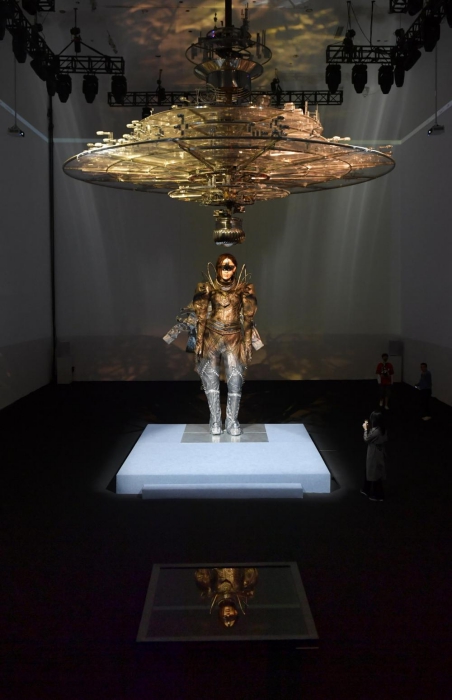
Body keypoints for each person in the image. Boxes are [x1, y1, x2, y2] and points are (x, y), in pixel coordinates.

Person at [193, 254, 260, 436]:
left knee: (235, 380)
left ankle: (231, 421)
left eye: (230, 267)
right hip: (212, 336)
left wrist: (248, 342)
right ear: (217, 268)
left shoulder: (243, 289)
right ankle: (215, 420)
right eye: (223, 267)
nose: (226, 270)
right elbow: (201, 315)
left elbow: (248, 317)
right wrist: (199, 340)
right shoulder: (207, 287)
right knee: (211, 380)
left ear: (235, 269)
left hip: (234, 337)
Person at [361, 410, 388, 502]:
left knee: (374, 474)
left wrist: (365, 429)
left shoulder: (376, 431)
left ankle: (378, 495)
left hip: (374, 453)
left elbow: (366, 439)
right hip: (379, 452)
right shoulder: (382, 429)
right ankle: (366, 489)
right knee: (371, 471)